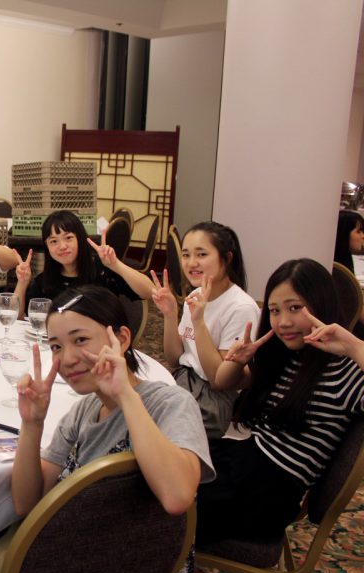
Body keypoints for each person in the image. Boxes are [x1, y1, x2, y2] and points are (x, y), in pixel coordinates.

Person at [0, 285, 214, 573]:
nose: (68, 358)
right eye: (56, 346)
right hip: (75, 561)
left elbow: (177, 497)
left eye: (80, 340)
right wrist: (32, 424)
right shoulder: (82, 412)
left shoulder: (170, 403)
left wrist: (126, 395)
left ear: (122, 339)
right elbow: (26, 503)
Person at [197, 258, 364, 544]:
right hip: (246, 463)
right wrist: (238, 361)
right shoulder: (289, 356)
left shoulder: (344, 373)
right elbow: (222, 381)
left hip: (266, 495)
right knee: (163, 463)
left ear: (320, 303)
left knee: (163, 497)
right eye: (275, 310)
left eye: (295, 308)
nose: (283, 321)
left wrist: (353, 346)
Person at [151, 221, 260, 439]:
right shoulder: (196, 295)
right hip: (183, 379)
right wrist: (170, 314)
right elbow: (174, 359)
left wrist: (199, 322)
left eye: (201, 254)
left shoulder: (241, 308)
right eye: (186, 255)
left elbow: (218, 380)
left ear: (226, 258)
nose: (192, 263)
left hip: (212, 398)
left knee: (154, 434)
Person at [13, 210, 155, 318]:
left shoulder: (102, 271)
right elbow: (17, 317)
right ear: (47, 247)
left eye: (68, 238)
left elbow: (150, 291)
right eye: (54, 241)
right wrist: (22, 283)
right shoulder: (45, 281)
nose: (62, 246)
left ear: (80, 239)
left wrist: (115, 265)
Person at [333, 209, 364, 273]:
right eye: (358, 231)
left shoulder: (346, 260)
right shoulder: (336, 269)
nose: (363, 236)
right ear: (344, 234)